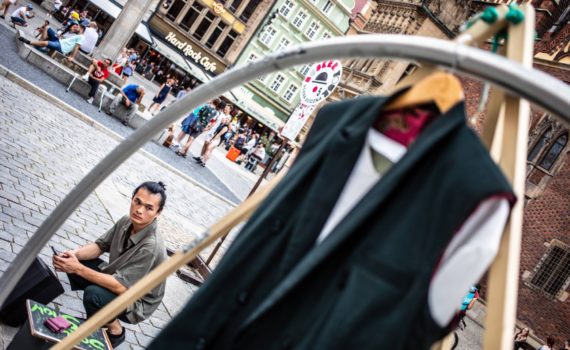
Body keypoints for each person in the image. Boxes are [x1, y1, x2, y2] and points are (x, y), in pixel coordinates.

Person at [52, 181, 167, 348]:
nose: (139, 210)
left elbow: (121, 287)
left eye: (149, 208)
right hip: (119, 277)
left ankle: (115, 330)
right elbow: (100, 246)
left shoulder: (151, 246)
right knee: (76, 262)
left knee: (94, 294)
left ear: (158, 213)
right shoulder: (126, 221)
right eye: (137, 202)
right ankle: (99, 316)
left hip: (137, 301)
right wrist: (73, 255)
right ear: (132, 199)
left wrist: (77, 268)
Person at [18, 22, 84, 62]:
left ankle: (29, 42)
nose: (76, 28)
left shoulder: (81, 36)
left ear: (81, 29)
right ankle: (38, 43)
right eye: (75, 26)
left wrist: (72, 57)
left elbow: (77, 47)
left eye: (77, 27)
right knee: (48, 27)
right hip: (59, 41)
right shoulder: (77, 35)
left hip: (61, 47)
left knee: (46, 42)